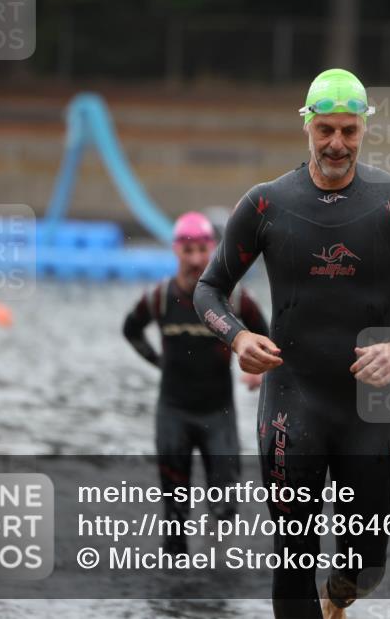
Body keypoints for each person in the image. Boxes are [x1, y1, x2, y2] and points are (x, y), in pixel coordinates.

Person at [194, 69, 390, 619]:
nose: (337, 144)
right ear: (306, 127)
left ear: (364, 127)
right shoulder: (267, 204)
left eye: (348, 130)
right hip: (293, 404)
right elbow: (209, 289)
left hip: (369, 407)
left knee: (367, 569)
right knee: (293, 559)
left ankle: (338, 600)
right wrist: (239, 335)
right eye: (325, 130)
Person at [123, 211, 269, 554]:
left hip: (219, 416)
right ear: (175, 250)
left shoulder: (233, 300)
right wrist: (159, 363)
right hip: (173, 413)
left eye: (202, 250)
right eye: (187, 251)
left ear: (213, 250)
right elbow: (130, 331)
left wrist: (258, 368)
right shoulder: (158, 298)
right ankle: (176, 590)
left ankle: (217, 578)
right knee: (175, 517)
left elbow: (267, 334)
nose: (195, 260)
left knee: (225, 507)